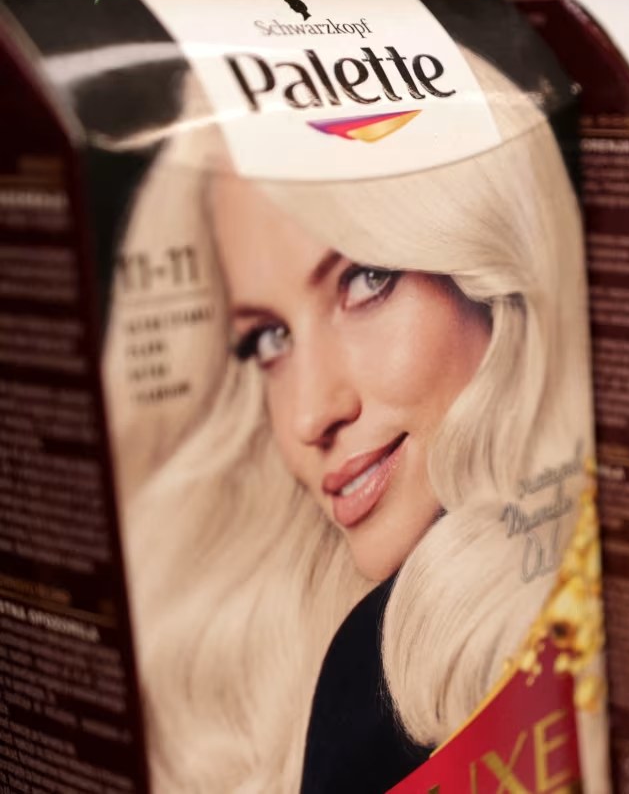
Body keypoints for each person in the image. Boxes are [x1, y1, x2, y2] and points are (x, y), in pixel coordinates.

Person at [101, 53, 597, 793]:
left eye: (366, 281)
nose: (310, 414)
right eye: (268, 339)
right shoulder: (328, 654)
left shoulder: (375, 678)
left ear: (486, 266)